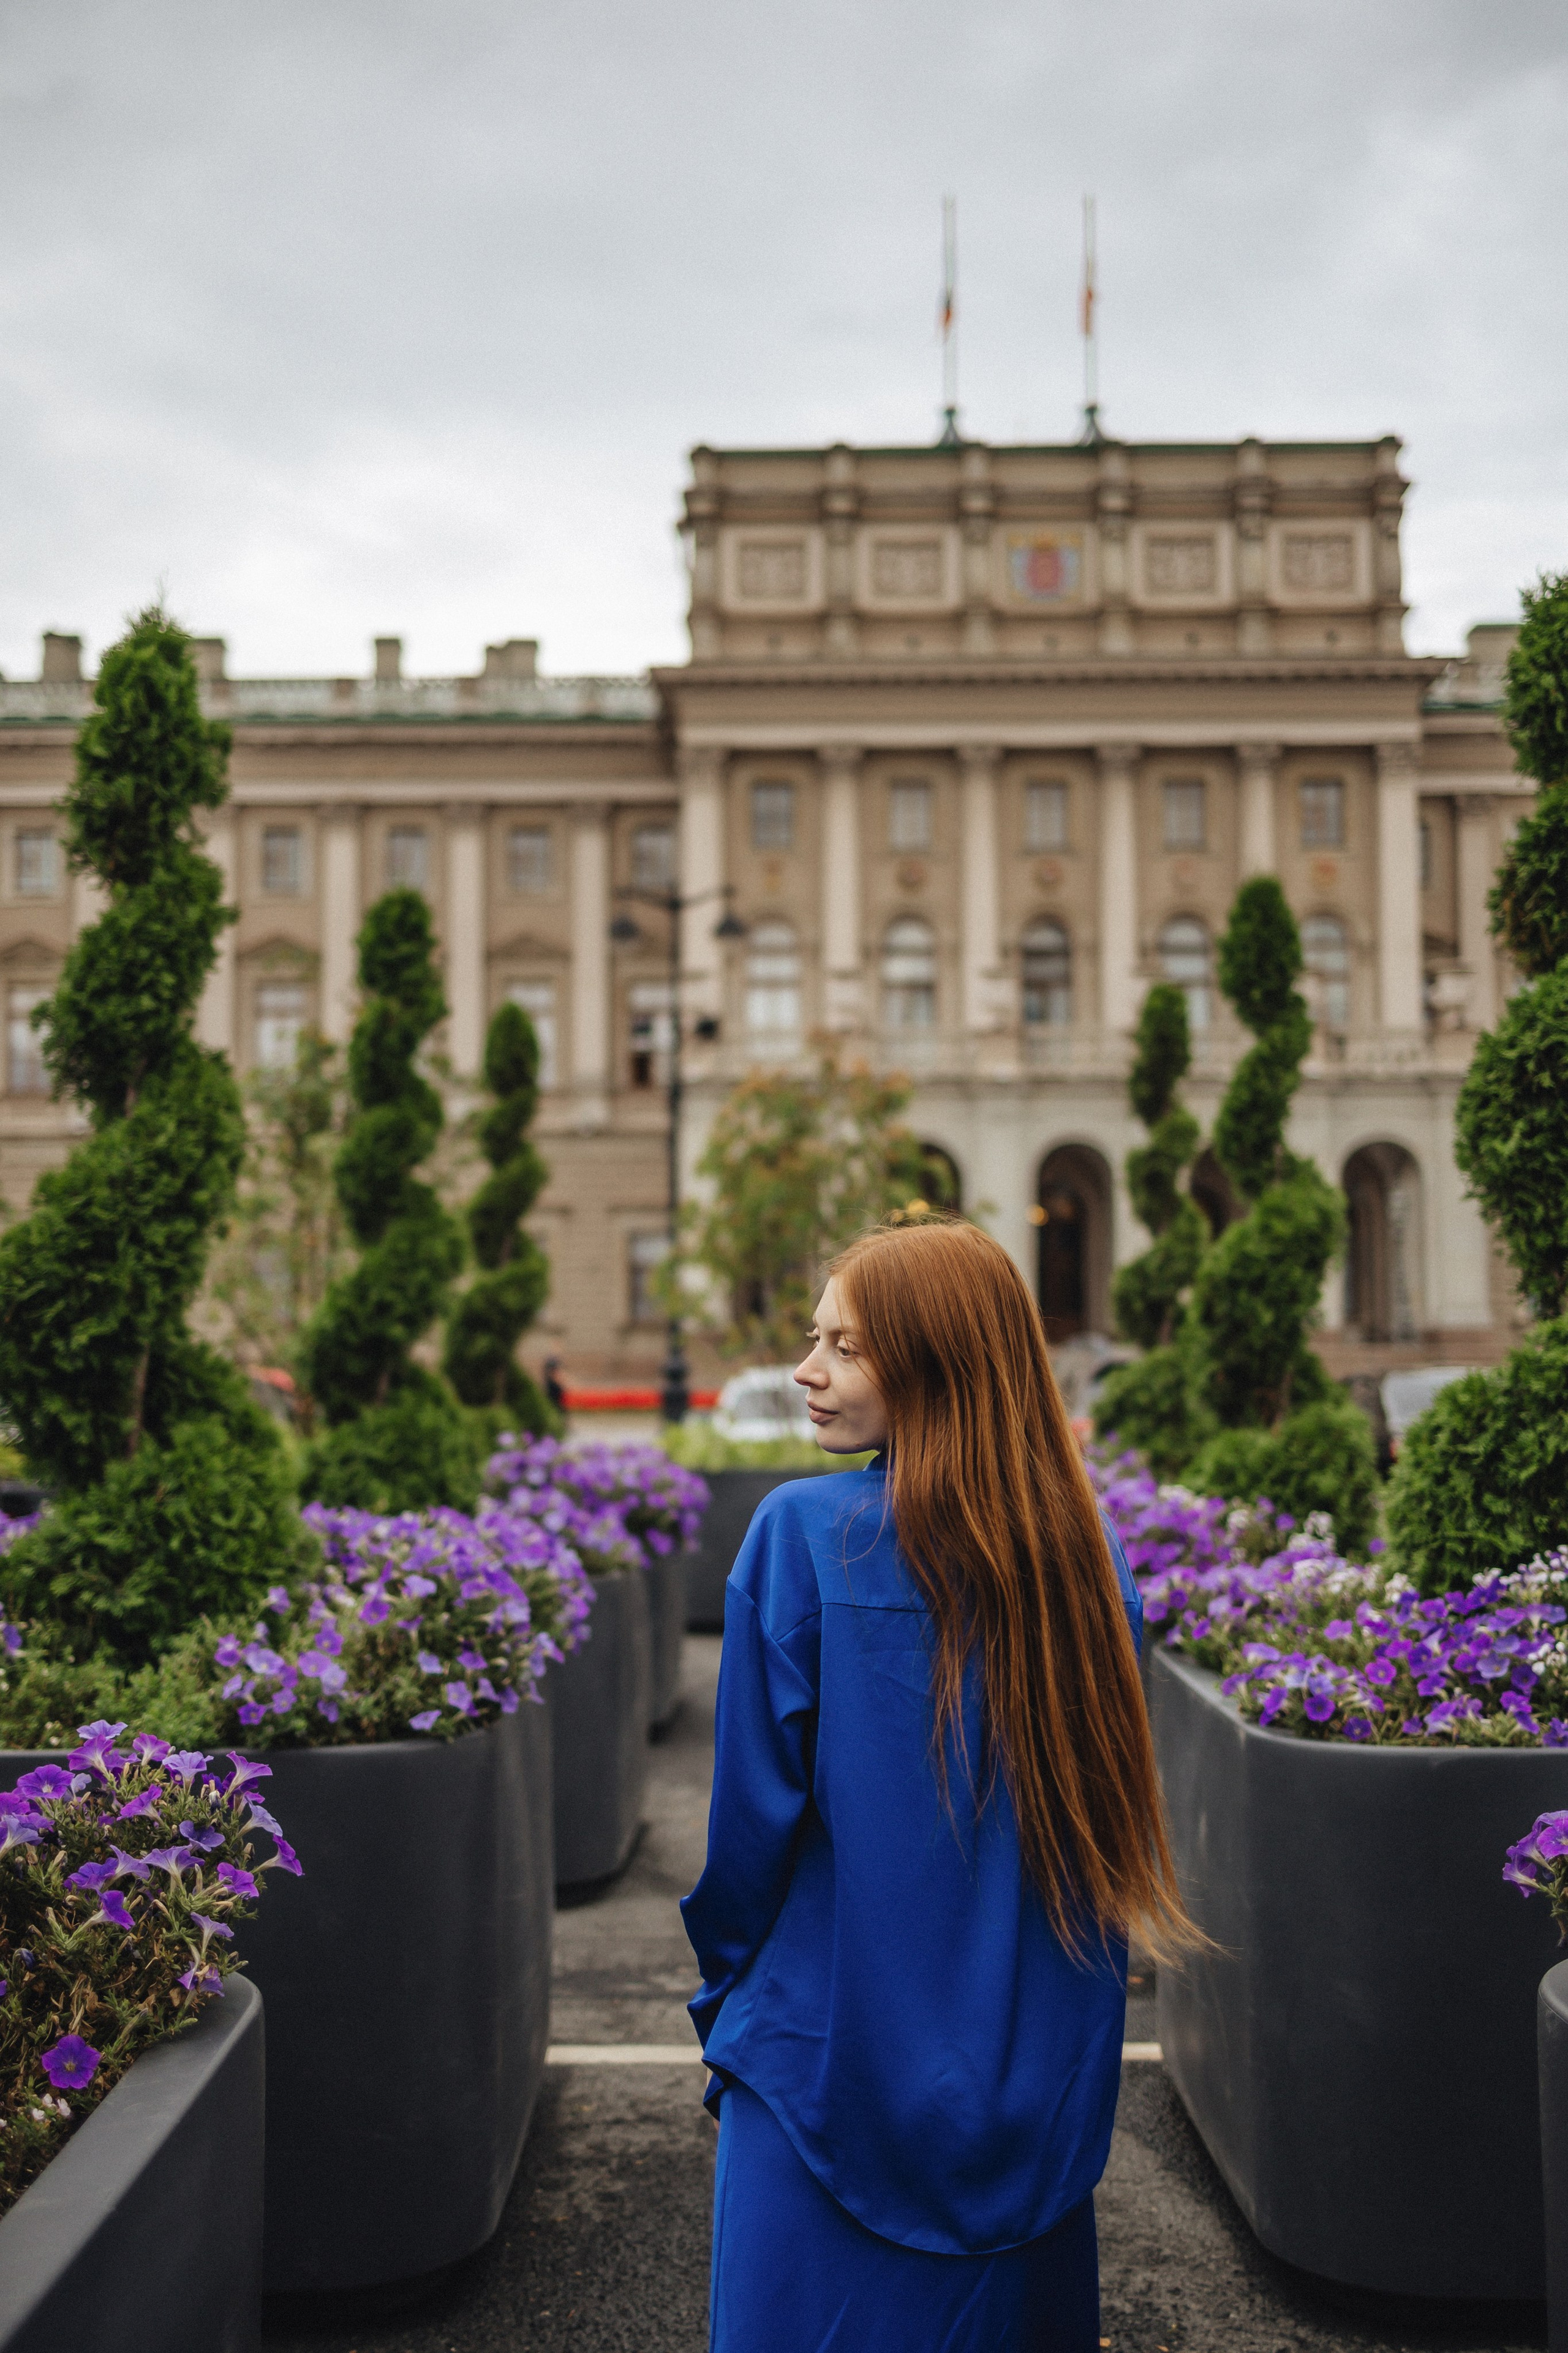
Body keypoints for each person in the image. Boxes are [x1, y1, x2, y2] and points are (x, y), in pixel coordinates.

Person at [681, 1218, 1194, 2352]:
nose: (807, 1370)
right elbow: (1096, 1845)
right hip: (1032, 2089)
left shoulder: (802, 1539)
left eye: (845, 1346)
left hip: (821, 2062)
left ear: (940, 1361)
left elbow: (745, 1843)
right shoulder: (1090, 1561)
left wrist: (731, 2012)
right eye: (814, 1338)